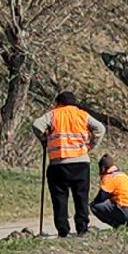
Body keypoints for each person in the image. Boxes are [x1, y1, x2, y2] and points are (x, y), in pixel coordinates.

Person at [32, 90, 106, 237]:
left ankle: (63, 230)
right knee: (81, 197)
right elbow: (100, 128)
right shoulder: (82, 115)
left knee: (59, 198)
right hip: (80, 162)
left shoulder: (53, 114)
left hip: (58, 163)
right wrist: (90, 146)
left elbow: (36, 125)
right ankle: (82, 228)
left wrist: (44, 139)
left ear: (59, 103)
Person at [91, 154, 128, 229]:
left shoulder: (110, 177)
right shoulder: (121, 175)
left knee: (95, 206)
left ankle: (117, 226)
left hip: (126, 211)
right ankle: (126, 226)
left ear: (102, 168)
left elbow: (101, 197)